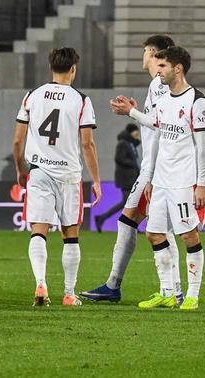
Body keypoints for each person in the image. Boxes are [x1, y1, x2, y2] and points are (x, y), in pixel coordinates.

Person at [81, 34, 181, 303]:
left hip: (156, 169)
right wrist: (138, 113)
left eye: (145, 52)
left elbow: (162, 127)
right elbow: (157, 124)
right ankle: (122, 286)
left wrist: (131, 113)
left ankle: (172, 290)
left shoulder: (160, 84)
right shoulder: (158, 85)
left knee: (155, 227)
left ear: (151, 52)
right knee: (137, 224)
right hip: (154, 167)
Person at [111, 46, 205, 311]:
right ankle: (167, 292)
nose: (159, 70)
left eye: (163, 66)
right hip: (161, 181)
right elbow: (156, 129)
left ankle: (192, 295)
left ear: (177, 68)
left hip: (183, 182)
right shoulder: (164, 99)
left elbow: (203, 147)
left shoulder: (197, 101)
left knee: (189, 235)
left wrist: (201, 184)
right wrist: (151, 177)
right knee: (154, 234)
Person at [13, 47, 101, 308]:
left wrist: (20, 169)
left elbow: (18, 140)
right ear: (73, 68)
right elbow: (87, 144)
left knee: (38, 232)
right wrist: (96, 180)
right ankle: (69, 293)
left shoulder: (32, 96)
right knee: (70, 234)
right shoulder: (81, 100)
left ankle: (41, 282)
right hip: (69, 175)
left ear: (50, 68)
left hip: (39, 171)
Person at [92, 123, 141, 232]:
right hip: (126, 178)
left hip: (132, 178)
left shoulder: (131, 144)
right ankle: (131, 226)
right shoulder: (123, 144)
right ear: (131, 132)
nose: (138, 135)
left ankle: (101, 218)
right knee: (130, 203)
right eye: (136, 132)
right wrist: (134, 164)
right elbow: (119, 158)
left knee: (127, 203)